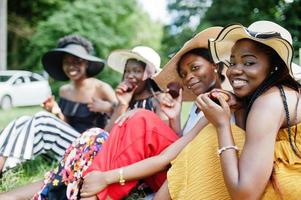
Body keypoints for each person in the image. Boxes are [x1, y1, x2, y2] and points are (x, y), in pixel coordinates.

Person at [0, 27, 227, 199]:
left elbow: (171, 153)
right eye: (128, 70)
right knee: (92, 141)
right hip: (130, 160)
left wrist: (109, 175)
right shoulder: (197, 104)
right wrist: (124, 107)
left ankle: (76, 191)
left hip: (156, 170)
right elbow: (178, 145)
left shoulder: (171, 100)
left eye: (138, 70)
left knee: (126, 126)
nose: (188, 77)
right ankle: (34, 192)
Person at [84, 21, 301, 200]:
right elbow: (175, 150)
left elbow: (245, 193)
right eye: (232, 62)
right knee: (135, 120)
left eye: (249, 62)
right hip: (192, 172)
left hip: (267, 188)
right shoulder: (237, 101)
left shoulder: (268, 102)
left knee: (145, 120)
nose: (236, 70)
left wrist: (222, 124)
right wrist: (174, 117)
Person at [0, 34, 117, 173]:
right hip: (67, 146)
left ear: (86, 63)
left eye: (77, 61)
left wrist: (109, 108)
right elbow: (66, 127)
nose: (71, 66)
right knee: (24, 120)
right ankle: (3, 163)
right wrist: (56, 113)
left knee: (42, 120)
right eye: (67, 62)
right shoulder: (64, 90)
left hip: (91, 151)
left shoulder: (101, 88)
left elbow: (122, 116)